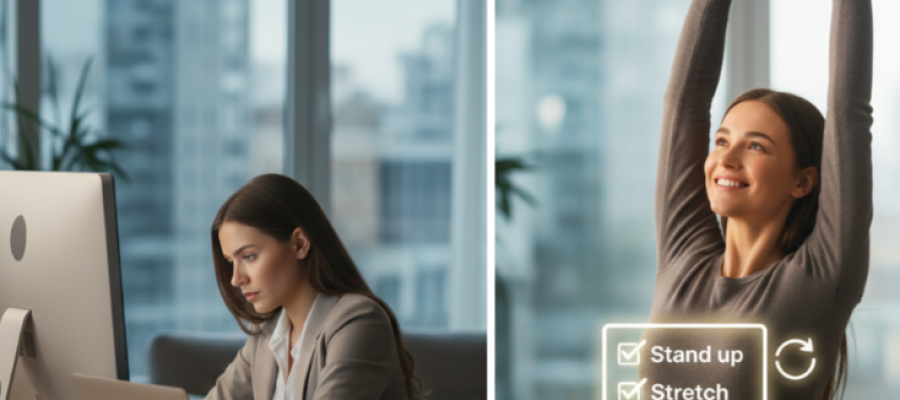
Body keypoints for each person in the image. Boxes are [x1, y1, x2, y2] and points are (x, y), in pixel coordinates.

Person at [648, 0, 872, 399]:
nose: (726, 160)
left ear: (803, 182)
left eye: (756, 146)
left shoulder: (819, 279)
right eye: (722, 140)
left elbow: (848, 112)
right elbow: (684, 103)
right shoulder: (684, 257)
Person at [203, 174, 422, 400]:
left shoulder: (360, 322)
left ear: (299, 244)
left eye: (249, 256)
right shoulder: (267, 334)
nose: (235, 279)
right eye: (231, 262)